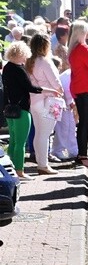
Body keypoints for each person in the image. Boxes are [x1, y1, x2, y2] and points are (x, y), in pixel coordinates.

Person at [2, 41, 57, 179]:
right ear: (21, 53)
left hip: (9, 109)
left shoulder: (7, 67)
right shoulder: (19, 69)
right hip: (21, 109)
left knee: (13, 141)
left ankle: (10, 170)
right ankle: (19, 171)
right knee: (20, 142)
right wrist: (50, 90)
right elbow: (30, 88)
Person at [26, 34, 65, 175]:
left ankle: (41, 163)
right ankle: (43, 165)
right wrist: (61, 91)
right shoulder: (45, 62)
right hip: (48, 101)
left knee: (39, 134)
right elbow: (56, 82)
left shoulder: (29, 61)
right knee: (45, 134)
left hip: (34, 101)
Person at [68, 21, 88, 169]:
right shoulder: (84, 49)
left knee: (83, 124)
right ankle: (83, 156)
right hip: (87, 89)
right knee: (85, 124)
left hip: (78, 88)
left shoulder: (73, 49)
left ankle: (82, 154)